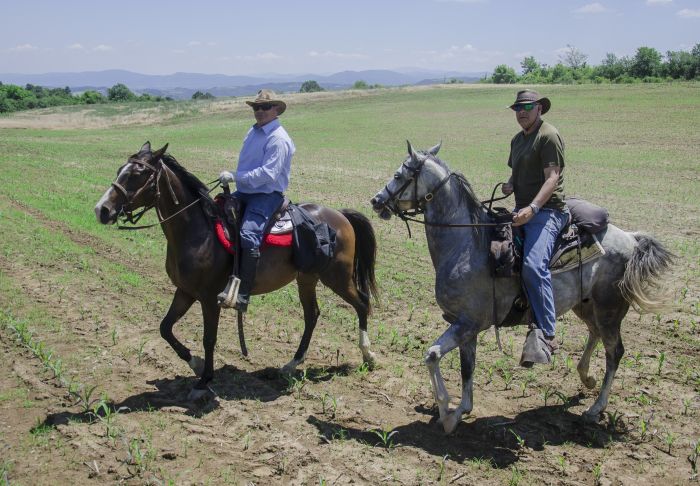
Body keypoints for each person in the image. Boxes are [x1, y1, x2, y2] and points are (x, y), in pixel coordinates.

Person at [501, 89, 568, 366]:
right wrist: (509, 184)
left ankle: (548, 335)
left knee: (532, 265)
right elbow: (517, 173)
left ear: (539, 108)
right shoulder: (517, 140)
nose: (521, 112)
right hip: (521, 209)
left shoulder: (548, 135)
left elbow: (552, 178)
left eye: (527, 106)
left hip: (547, 211)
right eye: (517, 108)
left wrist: (533, 209)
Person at [218, 89, 295, 311]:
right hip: (245, 191)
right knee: (215, 216)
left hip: (266, 194)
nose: (259, 111)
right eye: (256, 107)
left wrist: (235, 176)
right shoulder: (253, 132)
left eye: (265, 107)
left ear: (276, 110)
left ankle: (243, 293)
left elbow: (268, 175)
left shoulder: (278, 139)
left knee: (248, 234)